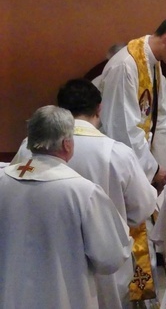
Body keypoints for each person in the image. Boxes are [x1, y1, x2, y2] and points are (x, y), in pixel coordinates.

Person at [11, 79, 157, 309]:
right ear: (99, 108)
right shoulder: (116, 153)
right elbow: (143, 208)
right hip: (101, 266)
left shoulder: (29, 146)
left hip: (39, 257)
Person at [0, 105, 132, 309]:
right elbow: (110, 258)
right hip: (63, 299)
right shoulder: (82, 192)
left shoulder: (3, 179)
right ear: (67, 144)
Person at [95, 10, 166, 193]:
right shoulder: (125, 66)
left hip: (144, 162)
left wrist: (160, 168)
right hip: (123, 165)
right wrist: (152, 169)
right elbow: (123, 131)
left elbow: (160, 119)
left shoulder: (153, 63)